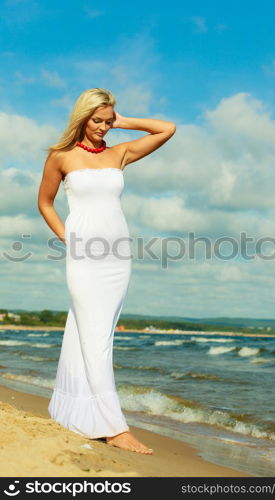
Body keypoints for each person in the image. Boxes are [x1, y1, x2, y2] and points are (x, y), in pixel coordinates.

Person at [38, 88, 176, 454]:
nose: (102, 127)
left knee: (87, 333)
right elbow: (45, 202)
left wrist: (121, 120)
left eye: (107, 121)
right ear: (81, 117)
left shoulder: (120, 153)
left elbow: (167, 129)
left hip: (118, 256)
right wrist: (67, 237)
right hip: (84, 256)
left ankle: (71, 412)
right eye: (96, 120)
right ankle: (114, 428)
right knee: (95, 338)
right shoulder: (61, 156)